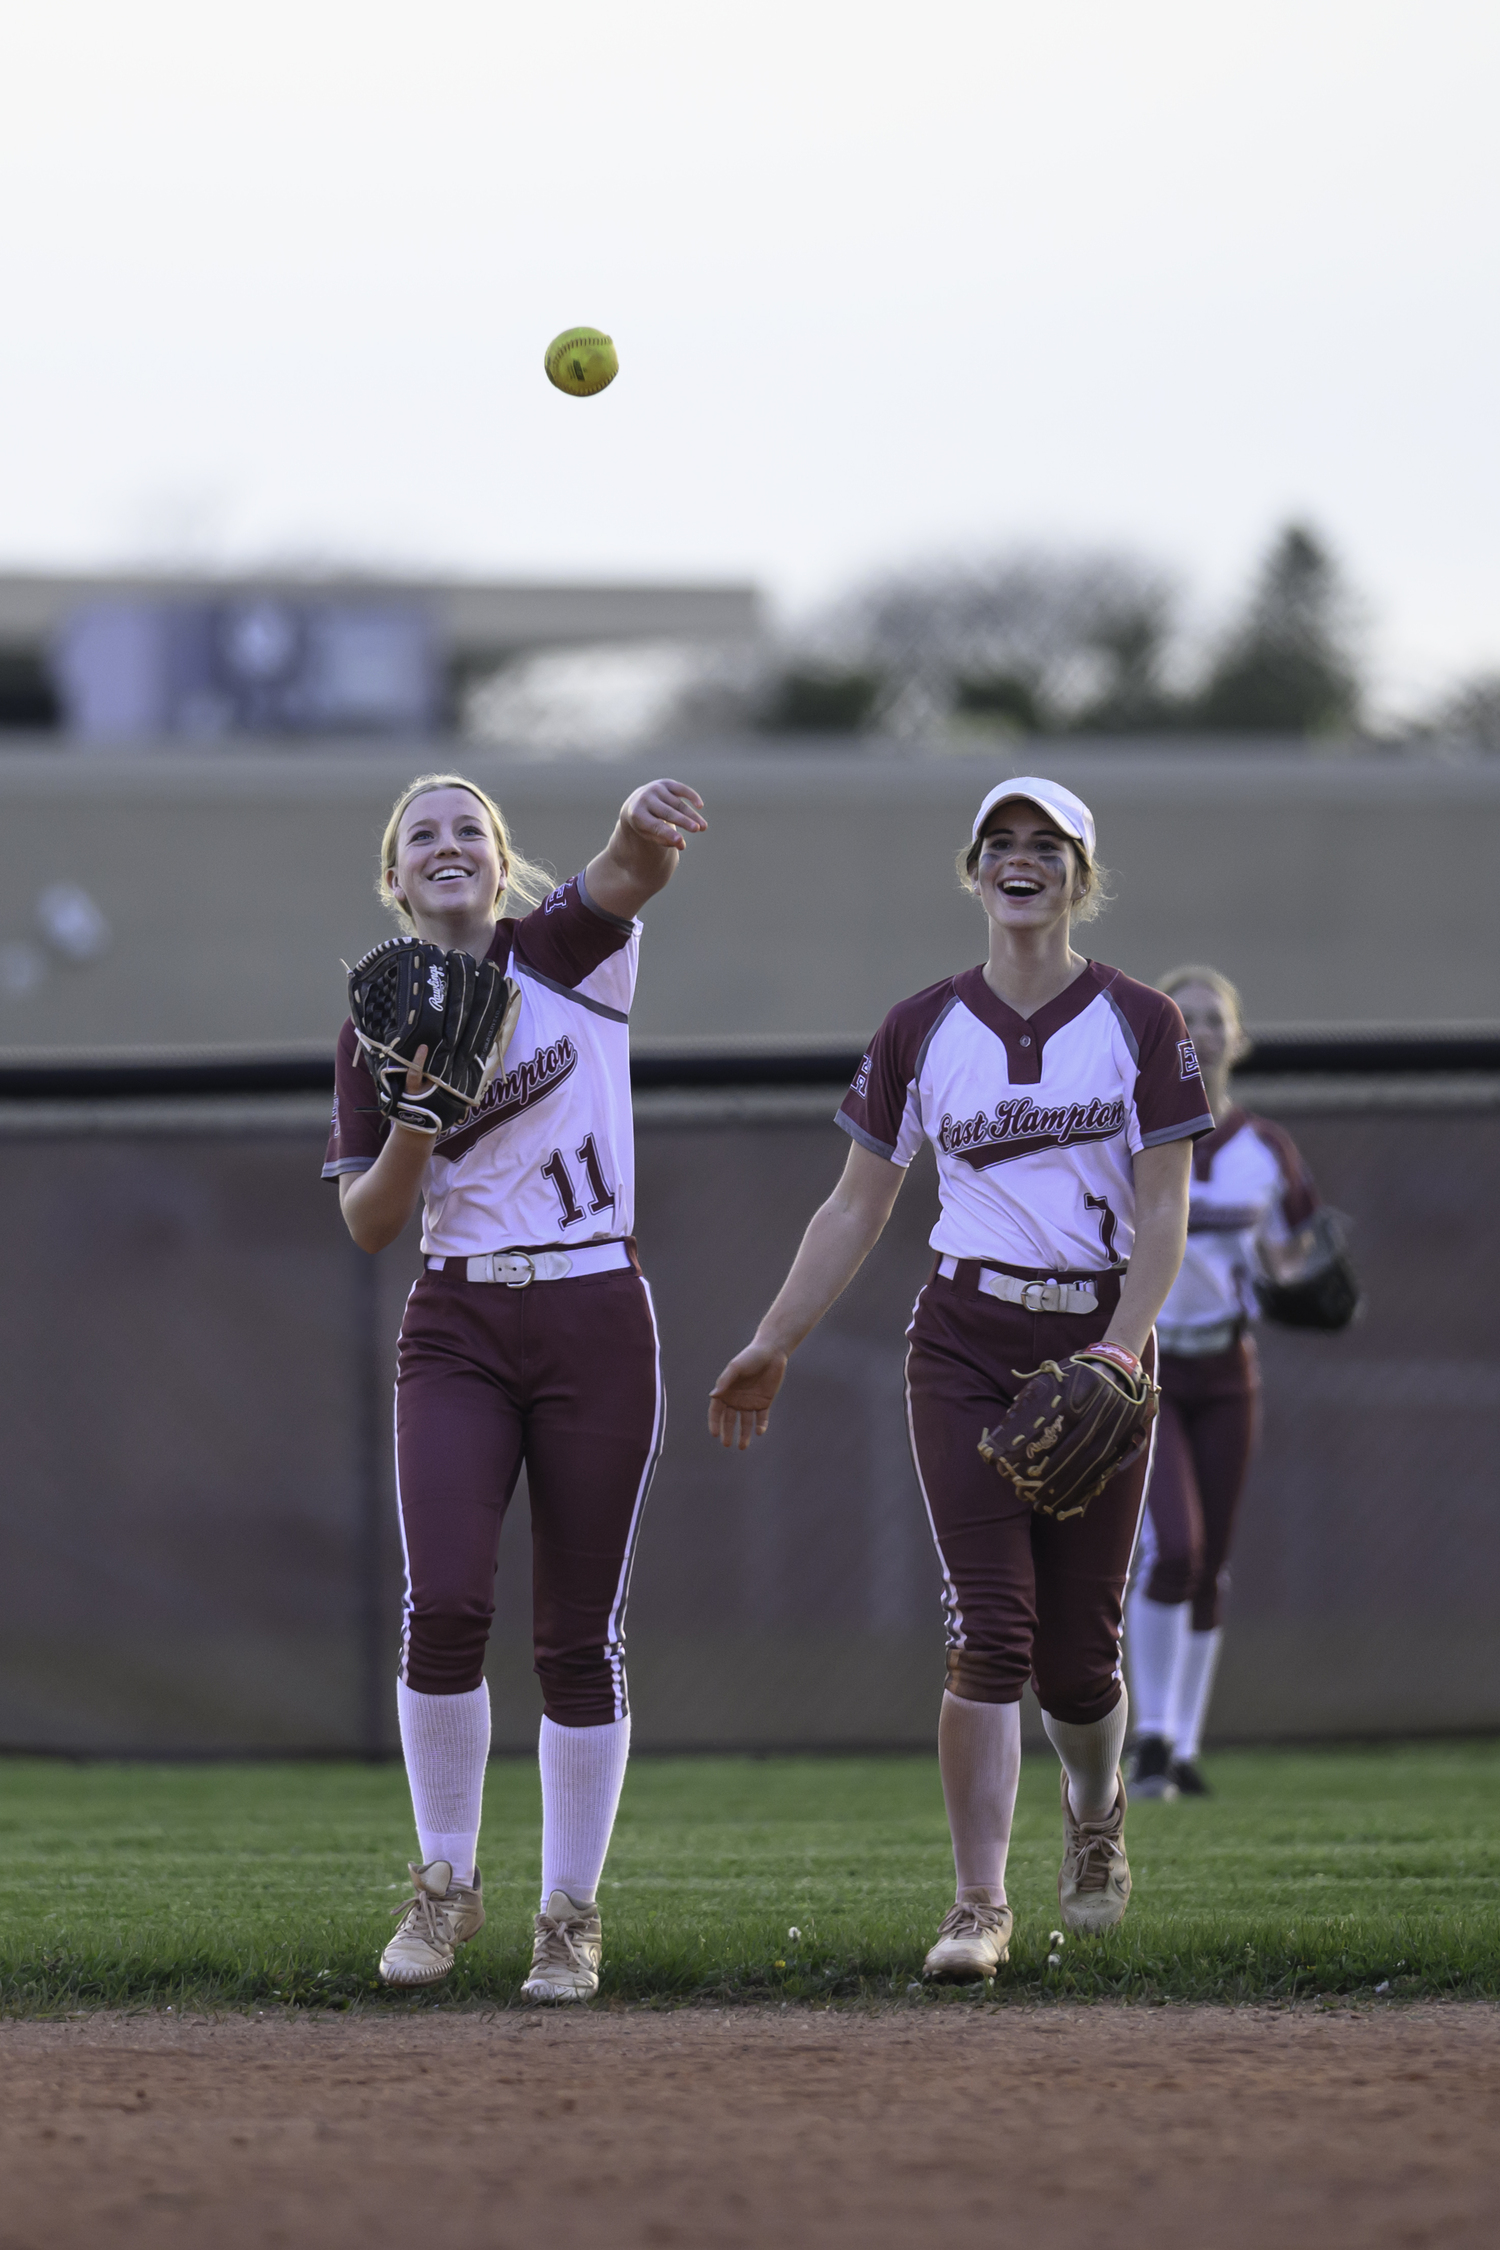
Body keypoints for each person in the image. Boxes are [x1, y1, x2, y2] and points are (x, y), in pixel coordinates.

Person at [707, 777, 1212, 1982]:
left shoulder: (1141, 1022)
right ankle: (978, 1905)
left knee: (1080, 1659)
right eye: (1003, 844)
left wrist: (1118, 1351)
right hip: (965, 1341)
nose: (1023, 861)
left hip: (1099, 1341)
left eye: (1049, 846)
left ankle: (1095, 1816)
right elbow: (856, 1204)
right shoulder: (920, 1027)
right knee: (991, 1630)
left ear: (1082, 879)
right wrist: (775, 1336)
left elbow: (1164, 1213)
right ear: (974, 870)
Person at [324, 768, 706, 1999]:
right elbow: (371, 1225)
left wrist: (639, 829)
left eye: (470, 831)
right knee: (444, 1606)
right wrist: (420, 1115)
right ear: (394, 878)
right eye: (421, 834)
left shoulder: (562, 954)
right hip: (460, 1317)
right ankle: (444, 1889)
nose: (448, 845)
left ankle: (569, 1915)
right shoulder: (374, 1018)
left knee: (578, 1636)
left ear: (503, 863)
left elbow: (634, 875)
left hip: (596, 1307)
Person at [1124, 964, 1322, 1799]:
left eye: (1215, 1017)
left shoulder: (1265, 1149)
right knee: (1174, 1546)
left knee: (1212, 1563)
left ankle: (1185, 1747)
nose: (1200, 1029)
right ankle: (1152, 1739)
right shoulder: (1131, 1132)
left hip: (1229, 1365)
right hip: (1153, 1363)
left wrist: (1305, 1276)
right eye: (1185, 1015)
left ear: (1237, 1039)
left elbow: (1293, 1254)